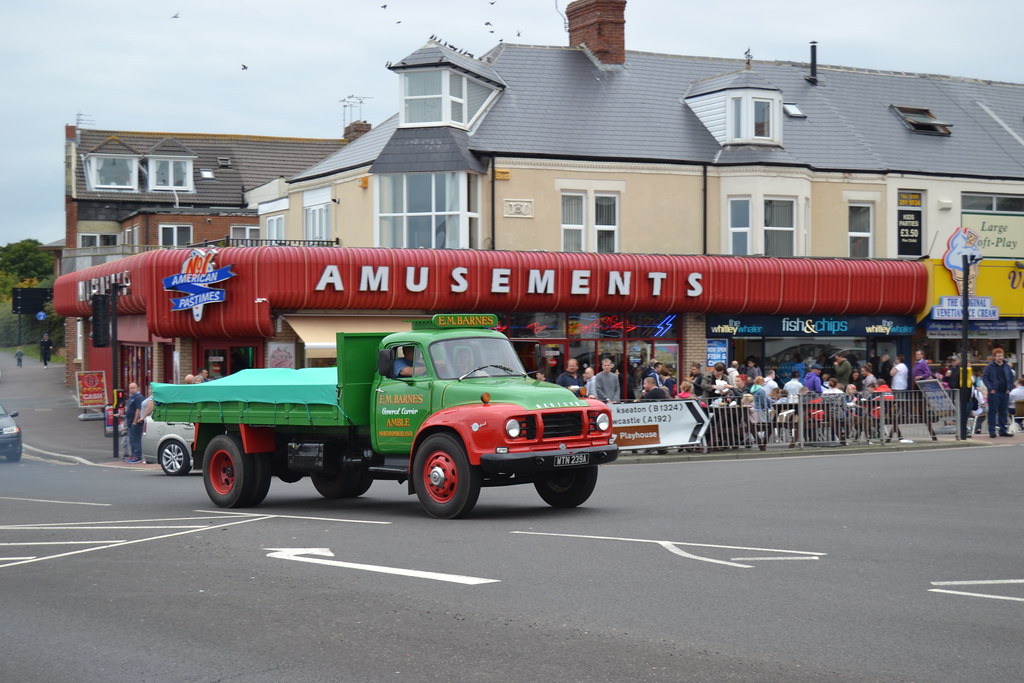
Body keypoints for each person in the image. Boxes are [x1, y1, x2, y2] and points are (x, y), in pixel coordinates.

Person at [981, 347, 1015, 437]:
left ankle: (1003, 430)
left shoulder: (1006, 366)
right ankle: (992, 431)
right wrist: (990, 388)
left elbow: (1011, 378)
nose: (1000, 358)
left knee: (1003, 412)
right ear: (994, 357)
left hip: (1005, 392)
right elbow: (985, 377)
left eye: (1001, 356)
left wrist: (1009, 388)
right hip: (994, 392)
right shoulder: (990, 367)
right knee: (993, 411)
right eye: (998, 356)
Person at [123, 382, 145, 463]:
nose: (132, 389)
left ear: (138, 388)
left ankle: (138, 457)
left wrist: (135, 422)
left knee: (136, 440)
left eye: (133, 387)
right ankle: (133, 456)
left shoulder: (138, 397)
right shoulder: (131, 398)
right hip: (130, 423)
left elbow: (138, 410)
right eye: (130, 388)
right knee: (131, 440)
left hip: (136, 423)